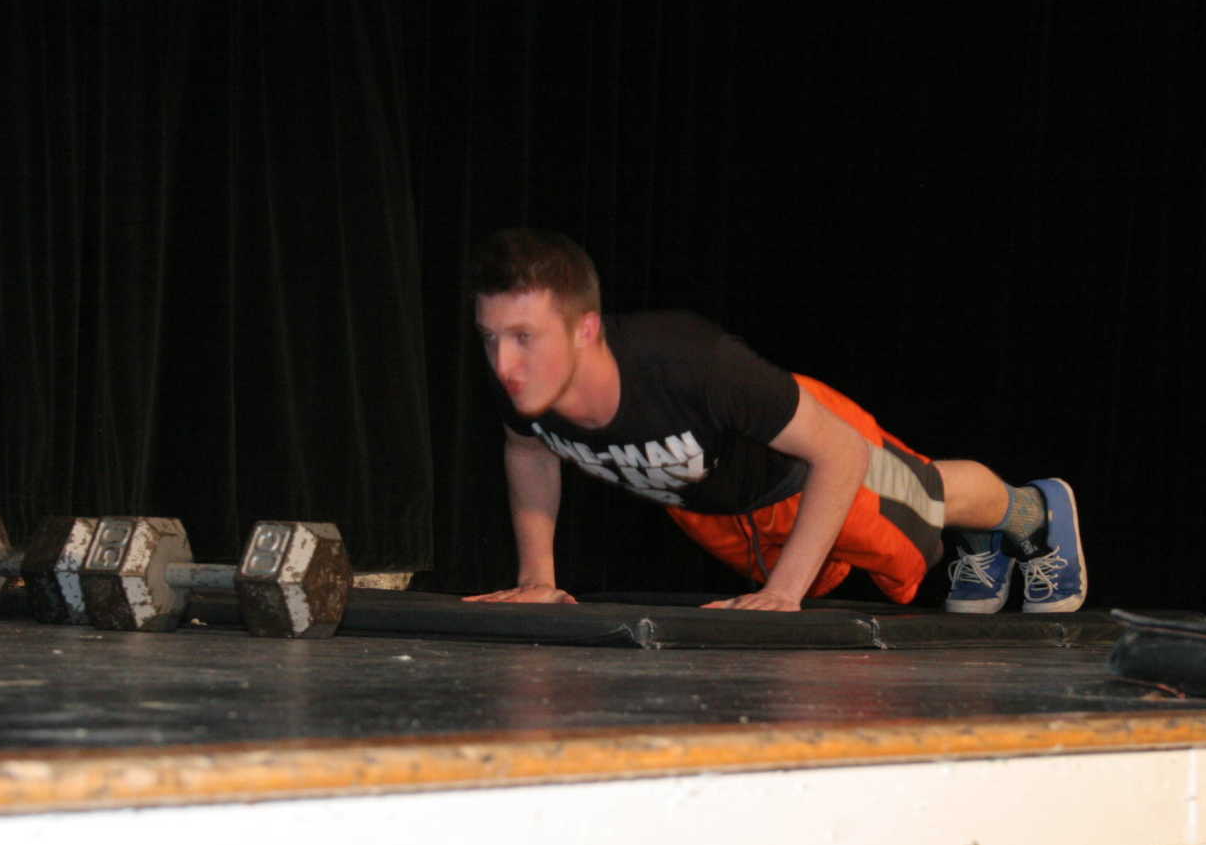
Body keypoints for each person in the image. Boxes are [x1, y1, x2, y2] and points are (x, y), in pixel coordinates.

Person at [462, 228, 1086, 614]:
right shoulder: (521, 386)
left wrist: (785, 593)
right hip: (721, 504)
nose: (504, 362)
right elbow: (529, 451)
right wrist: (537, 580)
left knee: (927, 494)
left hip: (813, 459)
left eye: (524, 337)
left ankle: (1032, 512)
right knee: (891, 529)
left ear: (585, 329)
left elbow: (841, 453)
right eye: (491, 338)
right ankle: (982, 540)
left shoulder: (692, 363)